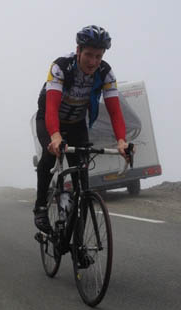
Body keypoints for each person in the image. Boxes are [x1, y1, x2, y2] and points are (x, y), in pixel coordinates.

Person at [34, 25, 128, 233]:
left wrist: (122, 140)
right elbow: (51, 108)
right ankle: (40, 208)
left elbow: (115, 112)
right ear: (78, 50)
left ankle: (78, 244)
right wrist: (55, 136)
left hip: (76, 123)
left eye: (98, 56)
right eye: (88, 55)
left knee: (83, 184)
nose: (93, 62)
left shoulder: (105, 73)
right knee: (49, 156)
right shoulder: (60, 67)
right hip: (49, 119)